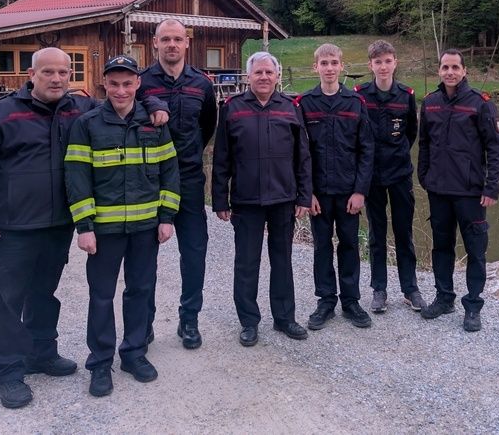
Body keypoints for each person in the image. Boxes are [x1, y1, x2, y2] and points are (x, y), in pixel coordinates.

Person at [0, 47, 167, 409]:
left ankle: (42, 352)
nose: (57, 79)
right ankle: (8, 372)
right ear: (32, 74)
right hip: (13, 225)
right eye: (48, 73)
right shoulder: (0, 114)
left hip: (58, 224)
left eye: (63, 73)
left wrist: (151, 102)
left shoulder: (79, 110)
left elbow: (123, 95)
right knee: (8, 299)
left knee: (44, 293)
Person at [64, 55, 181, 397]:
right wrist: (83, 226)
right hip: (104, 230)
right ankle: (100, 363)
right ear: (104, 84)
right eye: (114, 83)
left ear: (138, 85)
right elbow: (77, 178)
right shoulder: (87, 125)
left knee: (140, 291)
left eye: (127, 83)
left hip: (146, 227)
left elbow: (170, 172)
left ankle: (133, 353)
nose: (120, 90)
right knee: (102, 296)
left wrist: (166, 218)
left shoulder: (155, 124)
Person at [211, 51, 312, 347]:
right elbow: (221, 158)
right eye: (259, 73)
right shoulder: (232, 109)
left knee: (282, 261)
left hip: (283, 198)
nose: (264, 77)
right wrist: (220, 199)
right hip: (246, 200)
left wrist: (304, 196)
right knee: (246, 263)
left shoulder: (291, 107)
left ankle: (284, 318)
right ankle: (249, 322)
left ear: (277, 76)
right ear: (249, 76)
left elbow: (303, 156)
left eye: (269, 72)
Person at [137, 18, 217, 350]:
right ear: (155, 43)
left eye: (178, 39)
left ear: (187, 43)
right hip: (147, 180)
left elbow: (208, 126)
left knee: (194, 251)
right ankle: (143, 323)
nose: (172, 44)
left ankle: (189, 319)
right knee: (144, 254)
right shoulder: (140, 83)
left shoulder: (202, 84)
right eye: (165, 39)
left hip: (189, 179)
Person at [418, 49, 499, 332]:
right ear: (439, 70)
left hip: (470, 191)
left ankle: (473, 305)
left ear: (464, 70)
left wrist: (492, 187)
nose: (450, 72)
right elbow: (425, 145)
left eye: (455, 67)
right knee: (442, 247)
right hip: (439, 190)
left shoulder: (480, 104)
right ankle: (444, 298)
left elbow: (495, 148)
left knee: (475, 249)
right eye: (445, 67)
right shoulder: (430, 103)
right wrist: (424, 176)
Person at [297, 43, 374, 331]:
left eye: (334, 63)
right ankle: (326, 300)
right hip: (318, 193)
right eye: (324, 63)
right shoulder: (305, 104)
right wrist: (307, 193)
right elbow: (300, 152)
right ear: (315, 67)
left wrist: (360, 191)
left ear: (342, 67)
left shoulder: (355, 103)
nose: (329, 68)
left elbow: (366, 150)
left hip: (348, 192)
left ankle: (351, 301)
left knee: (350, 244)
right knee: (321, 247)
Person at [355, 40, 425, 314]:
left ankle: (410, 289)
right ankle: (379, 290)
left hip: (399, 174)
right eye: (377, 62)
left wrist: (396, 156)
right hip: (371, 176)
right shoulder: (360, 95)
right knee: (376, 233)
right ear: (370, 65)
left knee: (404, 232)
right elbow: (358, 136)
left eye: (387, 61)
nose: (383, 66)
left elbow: (411, 133)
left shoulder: (406, 95)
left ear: (395, 62)